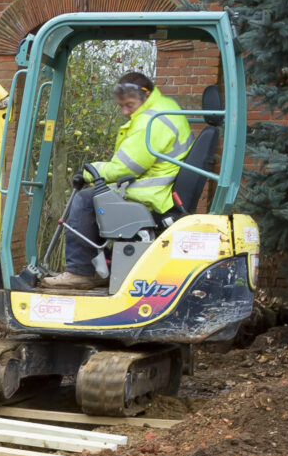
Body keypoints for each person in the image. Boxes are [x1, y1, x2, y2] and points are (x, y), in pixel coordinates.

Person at [38, 70, 190, 292]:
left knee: (85, 199)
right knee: (99, 197)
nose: (125, 111)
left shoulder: (152, 121)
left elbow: (124, 168)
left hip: (152, 195)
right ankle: (104, 268)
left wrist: (90, 172)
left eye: (129, 105)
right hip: (159, 189)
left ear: (145, 96)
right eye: (121, 106)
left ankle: (81, 272)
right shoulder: (164, 109)